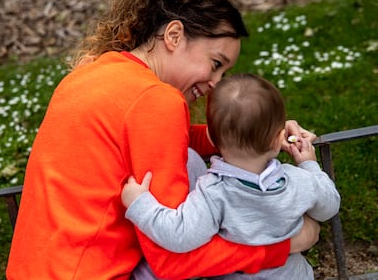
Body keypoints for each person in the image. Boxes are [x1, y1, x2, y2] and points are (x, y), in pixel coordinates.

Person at [6, 0, 320, 280]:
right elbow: (173, 260)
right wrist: (284, 246)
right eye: (215, 64)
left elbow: (166, 139)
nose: (215, 84)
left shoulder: (90, 73)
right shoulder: (157, 101)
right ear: (173, 36)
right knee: (193, 165)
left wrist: (259, 133)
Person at [122, 73, 341, 280]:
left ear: (214, 142)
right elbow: (329, 206)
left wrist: (140, 204)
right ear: (278, 140)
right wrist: (309, 165)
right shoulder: (298, 181)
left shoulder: (213, 192)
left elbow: (181, 235)